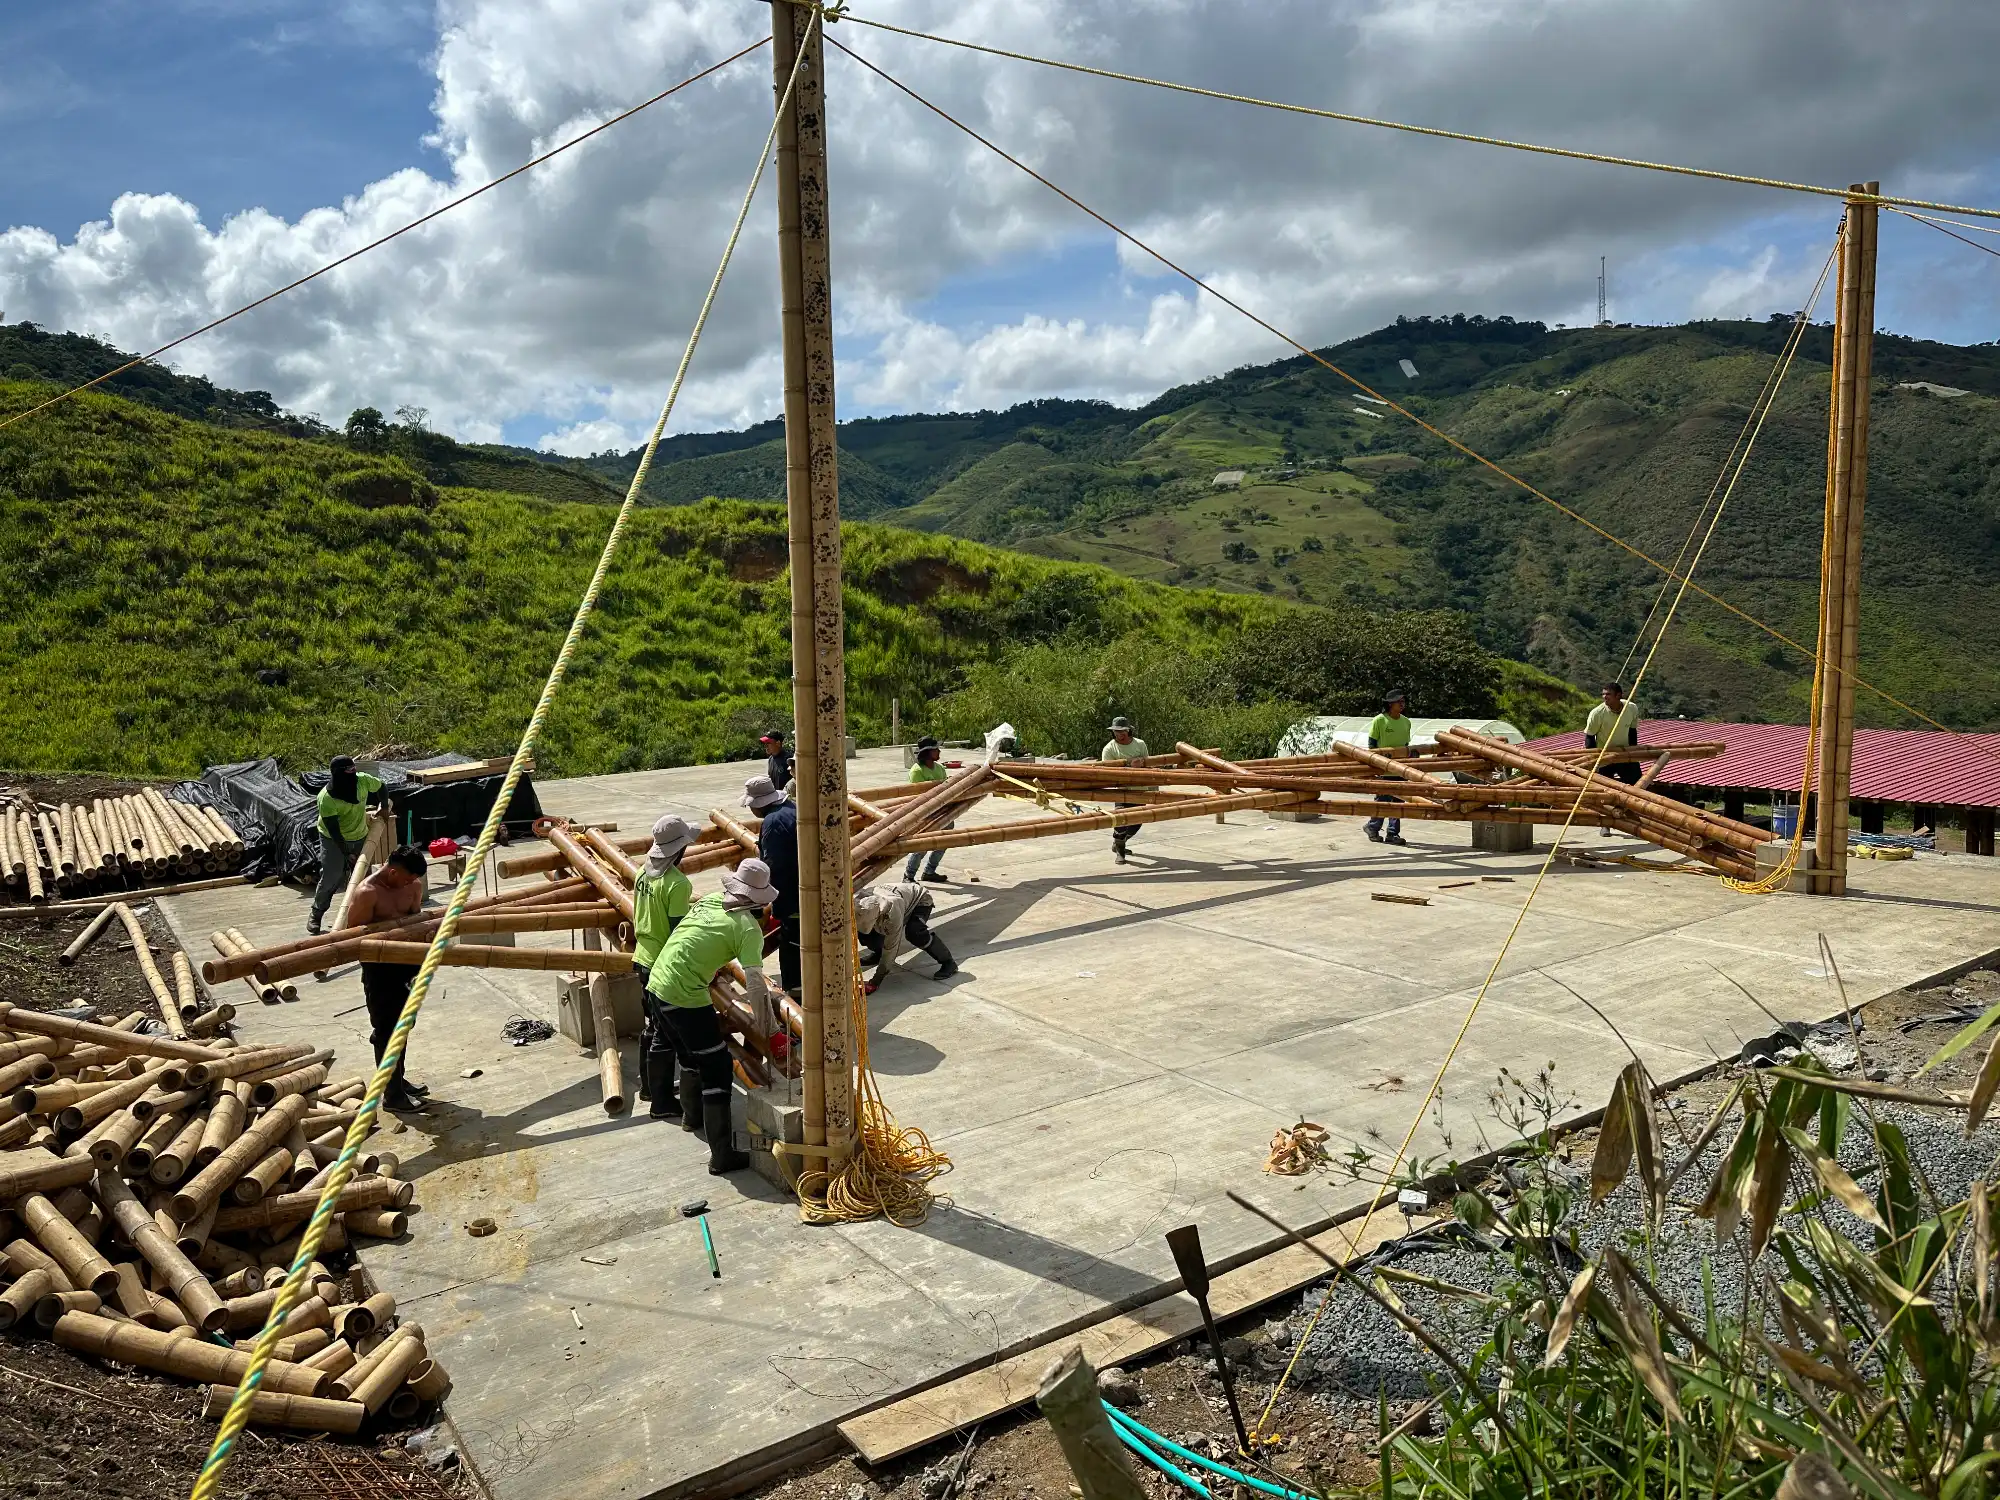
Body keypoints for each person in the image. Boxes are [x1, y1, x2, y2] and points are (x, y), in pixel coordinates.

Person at [645, 858, 781, 1174]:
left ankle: (691, 1118)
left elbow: (694, 938)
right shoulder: (747, 929)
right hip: (684, 998)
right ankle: (722, 1155)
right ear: (759, 902)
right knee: (717, 1067)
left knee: (690, 1057)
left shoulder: (710, 900)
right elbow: (758, 987)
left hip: (657, 985)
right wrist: (772, 1032)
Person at [341, 845, 430, 1111]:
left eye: (413, 880)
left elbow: (416, 921)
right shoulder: (367, 893)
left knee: (404, 1026)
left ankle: (397, 1079)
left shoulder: (412, 887)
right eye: (406, 878)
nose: (411, 884)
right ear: (392, 872)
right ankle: (392, 1094)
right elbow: (353, 938)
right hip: (379, 969)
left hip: (408, 964)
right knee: (385, 1031)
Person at [633, 814, 697, 1120]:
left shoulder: (642, 875)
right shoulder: (677, 884)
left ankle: (648, 1088)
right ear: (680, 849)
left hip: (641, 957)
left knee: (652, 1026)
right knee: (666, 1034)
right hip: (661, 964)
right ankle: (661, 1102)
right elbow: (677, 933)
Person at [308, 754, 387, 934]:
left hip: (360, 836)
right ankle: (316, 913)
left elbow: (382, 787)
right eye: (348, 772)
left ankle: (364, 914)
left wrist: (384, 806)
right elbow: (335, 832)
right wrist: (346, 853)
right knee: (332, 875)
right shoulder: (326, 798)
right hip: (333, 840)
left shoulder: (363, 781)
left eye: (354, 770)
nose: (353, 775)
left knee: (363, 877)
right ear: (337, 775)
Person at [854, 881, 957, 991]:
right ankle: (879, 954)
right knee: (866, 934)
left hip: (920, 900)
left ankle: (949, 962)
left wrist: (875, 981)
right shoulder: (857, 902)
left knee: (915, 933)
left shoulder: (893, 911)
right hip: (896, 896)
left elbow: (891, 948)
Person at [750, 774, 801, 995]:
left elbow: (773, 868)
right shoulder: (791, 808)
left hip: (793, 896)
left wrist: (761, 904)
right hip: (807, 891)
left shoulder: (772, 822)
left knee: (792, 946)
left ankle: (797, 996)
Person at [1363, 690, 1413, 846]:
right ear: (1390, 704)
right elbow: (1372, 745)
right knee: (1383, 801)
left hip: (1400, 768)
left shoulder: (1406, 722)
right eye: (1399, 701)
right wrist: (1374, 767)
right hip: (1383, 769)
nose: (1402, 704)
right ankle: (1373, 828)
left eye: (1403, 701)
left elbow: (1406, 746)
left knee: (1398, 802)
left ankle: (1393, 833)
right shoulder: (1380, 720)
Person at [1101, 716, 1149, 864]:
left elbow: (1148, 764)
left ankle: (1119, 843)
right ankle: (1120, 852)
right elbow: (1107, 772)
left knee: (1137, 821)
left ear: (1128, 730)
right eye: (1116, 731)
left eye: (1122, 731)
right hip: (1121, 789)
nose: (1119, 734)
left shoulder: (1140, 744)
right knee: (1121, 819)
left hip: (1140, 788)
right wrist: (1129, 768)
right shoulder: (1109, 748)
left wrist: (1142, 765)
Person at [903, 737, 951, 883]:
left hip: (943, 811)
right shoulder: (917, 771)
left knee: (945, 841)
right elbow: (918, 796)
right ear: (928, 752)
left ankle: (930, 871)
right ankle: (909, 875)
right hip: (925, 814)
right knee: (922, 845)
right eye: (936, 749)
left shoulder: (940, 768)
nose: (939, 751)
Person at [1584, 682, 1642, 785]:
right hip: (1604, 756)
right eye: (1603, 694)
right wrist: (1593, 761)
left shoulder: (1631, 708)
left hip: (1624, 753)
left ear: (1618, 695)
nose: (1604, 697)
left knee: (1637, 782)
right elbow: (1590, 737)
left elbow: (1632, 731)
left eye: (1608, 694)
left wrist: (1633, 752)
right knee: (1604, 787)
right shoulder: (1597, 713)